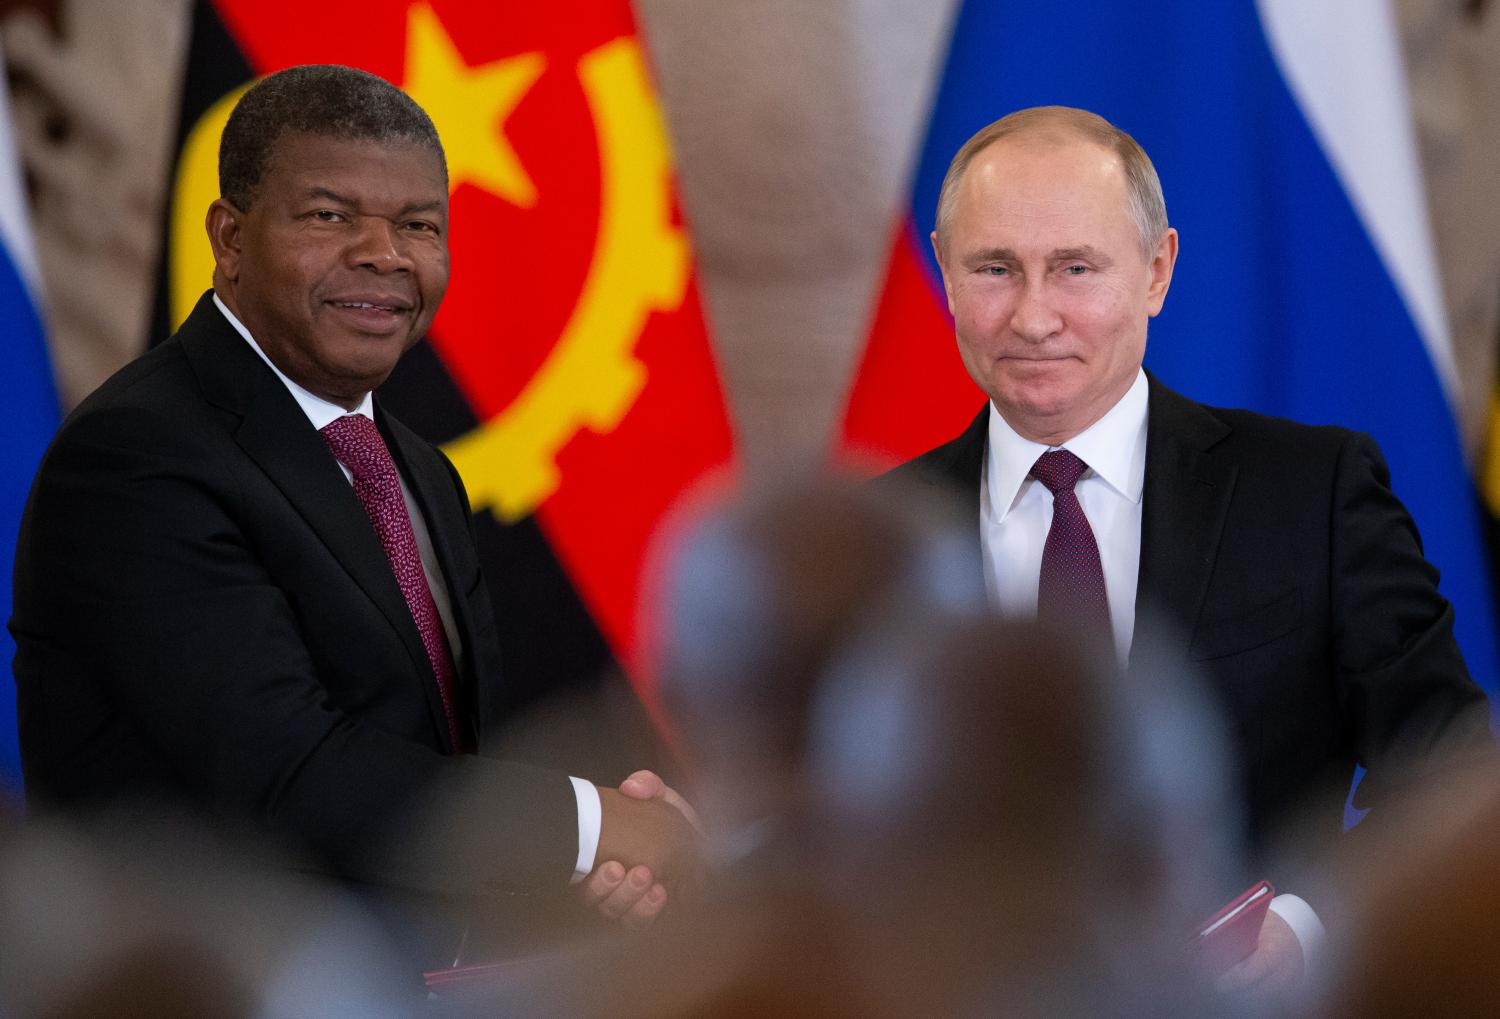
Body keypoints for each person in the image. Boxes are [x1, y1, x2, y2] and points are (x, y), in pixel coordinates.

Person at [8, 64, 697, 963]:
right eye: (330, 215)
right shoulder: (139, 457)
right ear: (229, 238)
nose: (387, 252)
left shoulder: (417, 470)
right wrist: (594, 823)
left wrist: (588, 859)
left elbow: (439, 763)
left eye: (419, 224)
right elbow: (291, 773)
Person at [882, 105, 1493, 994]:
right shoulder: (887, 529)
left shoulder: (1312, 489)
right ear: (943, 267)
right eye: (995, 269)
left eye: (1076, 268)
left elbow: (1450, 770)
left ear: (1158, 269)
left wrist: (1304, 924)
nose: (1033, 315)